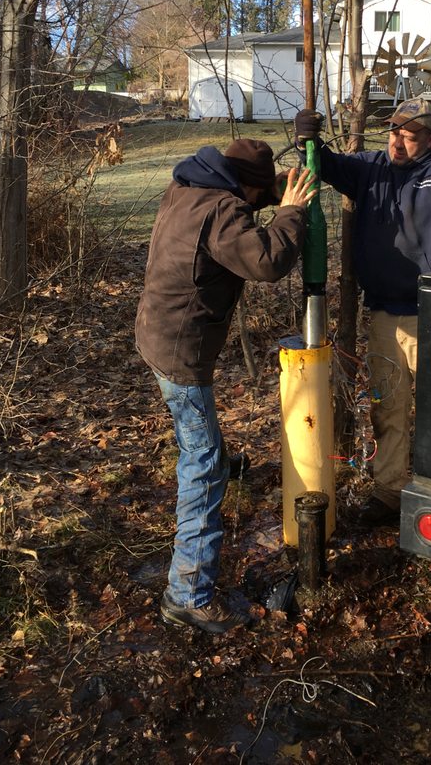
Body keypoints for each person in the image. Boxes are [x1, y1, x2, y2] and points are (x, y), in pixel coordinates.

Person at [135, 138, 315, 634]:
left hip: (156, 333)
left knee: (200, 444)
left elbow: (235, 221)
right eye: (259, 195)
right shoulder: (221, 209)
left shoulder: (187, 185)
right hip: (179, 350)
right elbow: (267, 261)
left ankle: (208, 457)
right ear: (249, 187)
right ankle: (187, 595)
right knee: (204, 466)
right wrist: (292, 212)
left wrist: (268, 197)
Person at [294, 98, 431, 527]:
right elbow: (326, 165)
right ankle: (390, 492)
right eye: (393, 133)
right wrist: (306, 138)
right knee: (387, 409)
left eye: (408, 136)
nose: (397, 143)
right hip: (384, 315)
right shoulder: (372, 169)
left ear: (429, 138)